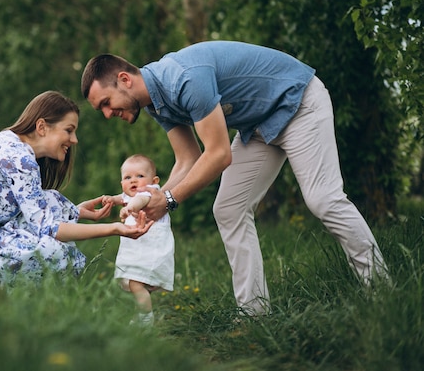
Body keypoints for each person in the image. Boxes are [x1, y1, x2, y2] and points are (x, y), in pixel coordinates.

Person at [81, 40, 389, 316]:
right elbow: (188, 159)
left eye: (106, 103)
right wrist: (147, 201)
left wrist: (170, 199)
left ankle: (381, 290)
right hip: (257, 125)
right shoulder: (156, 104)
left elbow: (218, 155)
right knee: (228, 209)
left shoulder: (184, 79)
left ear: (124, 79)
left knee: (323, 199)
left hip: (298, 102)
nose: (107, 114)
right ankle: (254, 313)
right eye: (101, 110)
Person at [0, 91, 153, 286]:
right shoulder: (21, 159)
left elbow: (36, 208)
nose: (74, 140)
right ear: (42, 126)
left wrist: (76, 212)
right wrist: (114, 229)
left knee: (50, 200)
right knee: (57, 254)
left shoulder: (9, 143)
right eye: (69, 130)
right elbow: (49, 228)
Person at [102, 154, 175, 325]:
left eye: (140, 176)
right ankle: (142, 313)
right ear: (122, 183)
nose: (133, 181)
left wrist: (130, 208)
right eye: (128, 177)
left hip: (151, 248)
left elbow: (140, 200)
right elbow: (123, 198)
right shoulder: (129, 195)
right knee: (138, 284)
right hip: (140, 248)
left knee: (136, 283)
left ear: (154, 180)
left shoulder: (150, 192)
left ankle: (146, 319)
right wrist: (112, 200)